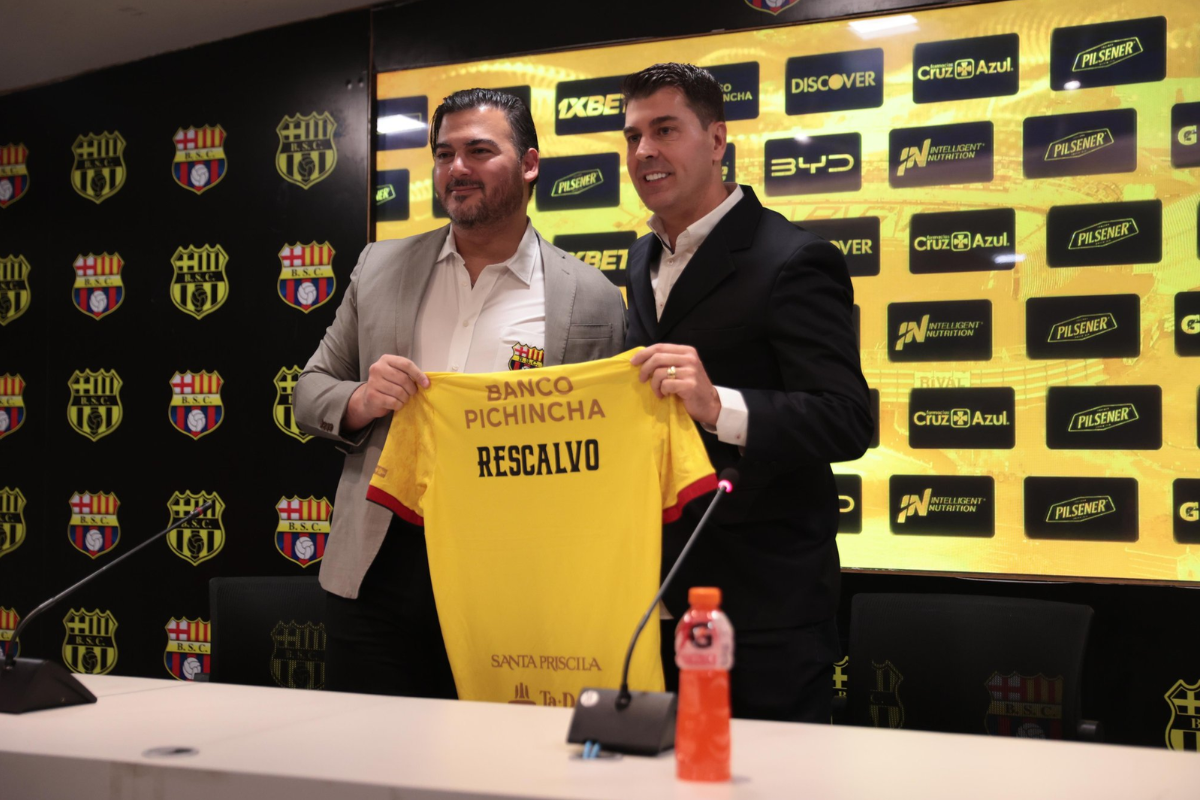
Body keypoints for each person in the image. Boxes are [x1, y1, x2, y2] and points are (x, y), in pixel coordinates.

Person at [294, 88, 626, 697]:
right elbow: (309, 391)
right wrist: (362, 401)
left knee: (491, 752)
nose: (457, 169)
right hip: (379, 568)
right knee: (366, 749)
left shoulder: (592, 296)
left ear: (529, 164)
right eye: (444, 154)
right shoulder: (379, 267)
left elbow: (603, 454)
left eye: (479, 151)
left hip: (515, 577)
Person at [620, 63, 873, 723]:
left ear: (716, 140)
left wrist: (719, 406)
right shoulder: (640, 259)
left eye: (665, 130)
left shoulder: (793, 258)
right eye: (633, 136)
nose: (644, 151)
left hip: (766, 612)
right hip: (656, 598)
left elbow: (847, 419)